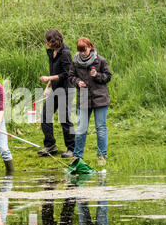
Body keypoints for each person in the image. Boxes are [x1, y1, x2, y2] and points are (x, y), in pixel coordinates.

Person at [68, 37, 112, 166]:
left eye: (85, 50)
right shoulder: (75, 62)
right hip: (83, 99)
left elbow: (108, 77)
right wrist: (77, 82)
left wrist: (97, 75)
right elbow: (71, 77)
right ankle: (77, 156)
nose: (83, 53)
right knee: (81, 128)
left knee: (101, 128)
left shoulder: (101, 60)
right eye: (80, 50)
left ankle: (102, 155)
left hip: (100, 98)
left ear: (90, 47)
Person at [38, 29, 75, 158]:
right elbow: (53, 71)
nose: (46, 43)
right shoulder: (51, 52)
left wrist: (48, 78)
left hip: (66, 88)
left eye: (48, 41)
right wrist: (48, 87)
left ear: (53, 41)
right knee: (45, 115)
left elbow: (66, 74)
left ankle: (71, 148)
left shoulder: (65, 54)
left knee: (64, 118)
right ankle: (50, 145)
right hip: (55, 88)